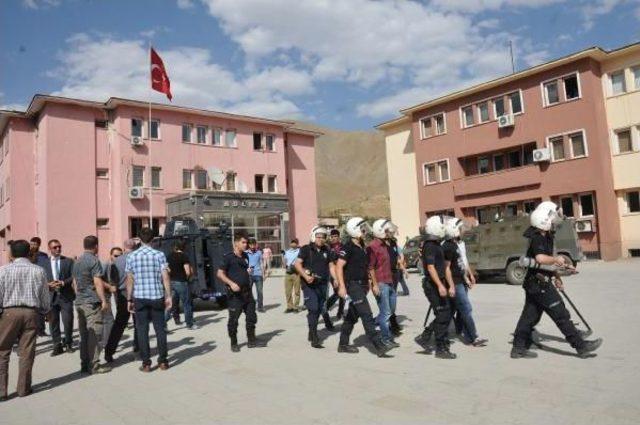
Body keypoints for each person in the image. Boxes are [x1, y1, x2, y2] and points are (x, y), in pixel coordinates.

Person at [511, 202, 603, 359]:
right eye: (553, 216)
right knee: (560, 314)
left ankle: (518, 349)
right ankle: (581, 346)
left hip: (537, 283)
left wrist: (557, 276)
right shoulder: (536, 237)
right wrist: (556, 259)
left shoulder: (546, 235)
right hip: (539, 284)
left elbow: (546, 262)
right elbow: (540, 258)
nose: (556, 219)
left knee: (529, 317)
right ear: (544, 219)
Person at [0, 240, 50, 400]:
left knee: (2, 351)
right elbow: (44, 295)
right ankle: (23, 389)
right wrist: (45, 311)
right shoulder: (38, 270)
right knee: (27, 352)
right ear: (29, 252)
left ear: (12, 253)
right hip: (31, 313)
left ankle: (1, 391)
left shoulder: (3, 270)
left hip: (9, 312)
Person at [336, 217, 391, 357]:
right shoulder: (347, 247)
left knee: (352, 316)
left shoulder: (363, 247)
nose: (365, 230)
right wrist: (342, 286)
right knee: (366, 314)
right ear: (354, 230)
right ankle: (378, 345)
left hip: (363, 285)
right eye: (362, 228)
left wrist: (372, 284)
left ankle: (343, 344)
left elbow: (368, 267)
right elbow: (339, 267)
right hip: (353, 285)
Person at [126, 227, 172, 372]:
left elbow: (129, 279)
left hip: (140, 297)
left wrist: (129, 299)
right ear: (153, 239)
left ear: (138, 239)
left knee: (142, 330)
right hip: (157, 296)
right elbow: (165, 276)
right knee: (160, 329)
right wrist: (168, 295)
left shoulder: (132, 256)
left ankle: (146, 363)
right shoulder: (159, 255)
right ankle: (163, 361)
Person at [415, 216, 457, 359]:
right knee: (443, 315)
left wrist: (450, 285)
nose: (444, 228)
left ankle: (425, 337)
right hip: (432, 285)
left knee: (445, 314)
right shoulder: (429, 246)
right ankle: (440, 348)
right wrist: (440, 285)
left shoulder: (437, 244)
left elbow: (445, 268)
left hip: (440, 283)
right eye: (441, 226)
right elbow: (431, 268)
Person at [442, 218, 487, 347]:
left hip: (460, 280)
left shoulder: (455, 244)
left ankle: (464, 336)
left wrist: (467, 277)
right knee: (466, 309)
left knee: (454, 310)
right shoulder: (448, 246)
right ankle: (474, 337)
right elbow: (446, 268)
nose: (462, 231)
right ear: (454, 230)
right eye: (460, 229)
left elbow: (460, 264)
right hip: (455, 283)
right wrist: (451, 286)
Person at [72, 235, 111, 374]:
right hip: (91, 302)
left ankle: (84, 363)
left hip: (80, 301)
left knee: (84, 335)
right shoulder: (94, 260)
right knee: (95, 333)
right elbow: (97, 281)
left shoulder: (77, 261)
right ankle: (94, 364)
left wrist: (79, 296)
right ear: (96, 246)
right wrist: (104, 300)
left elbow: (74, 283)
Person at [294, 226, 337, 349]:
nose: (321, 239)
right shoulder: (306, 249)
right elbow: (297, 264)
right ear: (313, 236)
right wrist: (305, 276)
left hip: (323, 284)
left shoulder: (327, 250)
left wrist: (336, 279)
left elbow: (331, 266)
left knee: (318, 309)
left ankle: (311, 330)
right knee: (313, 308)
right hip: (309, 284)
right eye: (318, 237)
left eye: (323, 237)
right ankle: (314, 337)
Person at [217, 234, 261, 352]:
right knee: (233, 320)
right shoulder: (228, 257)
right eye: (243, 242)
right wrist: (231, 284)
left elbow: (244, 269)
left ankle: (251, 340)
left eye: (246, 242)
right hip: (235, 296)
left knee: (251, 317)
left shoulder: (246, 255)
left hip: (247, 292)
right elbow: (220, 274)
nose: (246, 245)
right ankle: (234, 342)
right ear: (236, 243)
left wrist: (248, 271)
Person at [104, 238, 139, 363]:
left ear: (124, 248)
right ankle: (138, 349)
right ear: (135, 247)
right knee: (138, 323)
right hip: (137, 292)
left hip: (122, 293)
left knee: (119, 324)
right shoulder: (138, 259)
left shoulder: (116, 261)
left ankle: (109, 351)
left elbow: (112, 279)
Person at [38, 239, 75, 356]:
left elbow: (73, 276)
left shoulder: (68, 261)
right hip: (51, 297)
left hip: (66, 296)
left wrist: (63, 282)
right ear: (50, 249)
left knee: (68, 321)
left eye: (59, 246)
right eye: (55, 247)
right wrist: (48, 285)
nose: (58, 249)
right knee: (53, 322)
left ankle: (68, 342)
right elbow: (40, 279)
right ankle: (57, 345)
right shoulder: (43, 263)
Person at [368, 219, 399, 349]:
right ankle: (385, 339)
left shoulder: (386, 245)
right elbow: (370, 268)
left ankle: (376, 324)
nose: (388, 233)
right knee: (385, 312)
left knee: (390, 311)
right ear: (379, 231)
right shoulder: (372, 247)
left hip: (390, 281)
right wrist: (374, 285)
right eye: (386, 231)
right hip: (380, 283)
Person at [166, 240, 197, 329]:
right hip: (181, 282)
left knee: (170, 304)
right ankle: (189, 324)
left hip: (171, 282)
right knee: (186, 304)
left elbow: (167, 269)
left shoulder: (169, 256)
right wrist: (187, 278)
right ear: (183, 247)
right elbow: (187, 271)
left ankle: (163, 324)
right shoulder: (184, 256)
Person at [100, 247, 121, 353]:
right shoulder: (105, 265)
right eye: (116, 256)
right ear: (111, 255)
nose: (118, 258)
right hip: (104, 294)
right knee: (108, 320)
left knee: (109, 319)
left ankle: (105, 342)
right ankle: (106, 344)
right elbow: (97, 280)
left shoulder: (119, 265)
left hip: (114, 293)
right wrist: (109, 287)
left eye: (120, 256)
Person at [30, 237, 49, 337]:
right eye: (31, 244)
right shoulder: (26, 255)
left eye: (34, 244)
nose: (32, 246)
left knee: (41, 307)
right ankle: (32, 329)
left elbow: (46, 268)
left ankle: (41, 330)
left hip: (41, 283)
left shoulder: (44, 256)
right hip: (30, 284)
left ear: (39, 245)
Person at [325, 229, 345, 320]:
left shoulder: (343, 247)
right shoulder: (327, 247)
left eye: (335, 236)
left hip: (342, 273)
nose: (333, 238)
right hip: (332, 273)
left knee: (343, 293)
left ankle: (340, 312)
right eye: (332, 237)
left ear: (338, 237)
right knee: (337, 293)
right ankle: (325, 307)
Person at [246, 239, 266, 313]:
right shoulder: (245, 253)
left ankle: (260, 307)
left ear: (255, 245)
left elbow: (261, 263)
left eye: (254, 244)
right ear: (249, 245)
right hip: (249, 275)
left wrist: (263, 274)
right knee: (248, 292)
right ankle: (249, 306)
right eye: (251, 244)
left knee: (260, 292)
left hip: (258, 274)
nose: (252, 246)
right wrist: (247, 269)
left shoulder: (259, 252)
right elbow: (244, 263)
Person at [283, 239, 301, 313]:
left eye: (295, 243)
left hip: (296, 273)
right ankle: (289, 306)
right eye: (292, 242)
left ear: (297, 244)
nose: (293, 244)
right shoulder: (287, 252)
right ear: (290, 244)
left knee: (297, 291)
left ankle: (296, 307)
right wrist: (284, 263)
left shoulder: (300, 252)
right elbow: (284, 262)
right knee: (288, 291)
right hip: (288, 273)